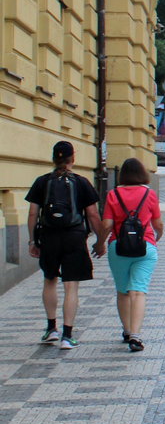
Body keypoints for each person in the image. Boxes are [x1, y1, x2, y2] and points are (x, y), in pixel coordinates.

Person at [24, 141, 102, 349]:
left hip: (49, 236)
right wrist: (101, 240)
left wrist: (32, 240)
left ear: (54, 158)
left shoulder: (42, 182)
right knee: (71, 285)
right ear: (72, 159)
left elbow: (33, 213)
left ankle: (51, 329)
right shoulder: (81, 182)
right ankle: (67, 335)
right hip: (74, 237)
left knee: (49, 279)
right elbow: (93, 214)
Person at [93, 158, 164, 353]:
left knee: (123, 291)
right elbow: (158, 224)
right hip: (145, 246)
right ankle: (136, 334)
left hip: (118, 247)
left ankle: (126, 330)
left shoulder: (113, 194)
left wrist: (99, 244)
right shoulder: (149, 194)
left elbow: (107, 224)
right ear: (142, 173)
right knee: (138, 291)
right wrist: (156, 237)